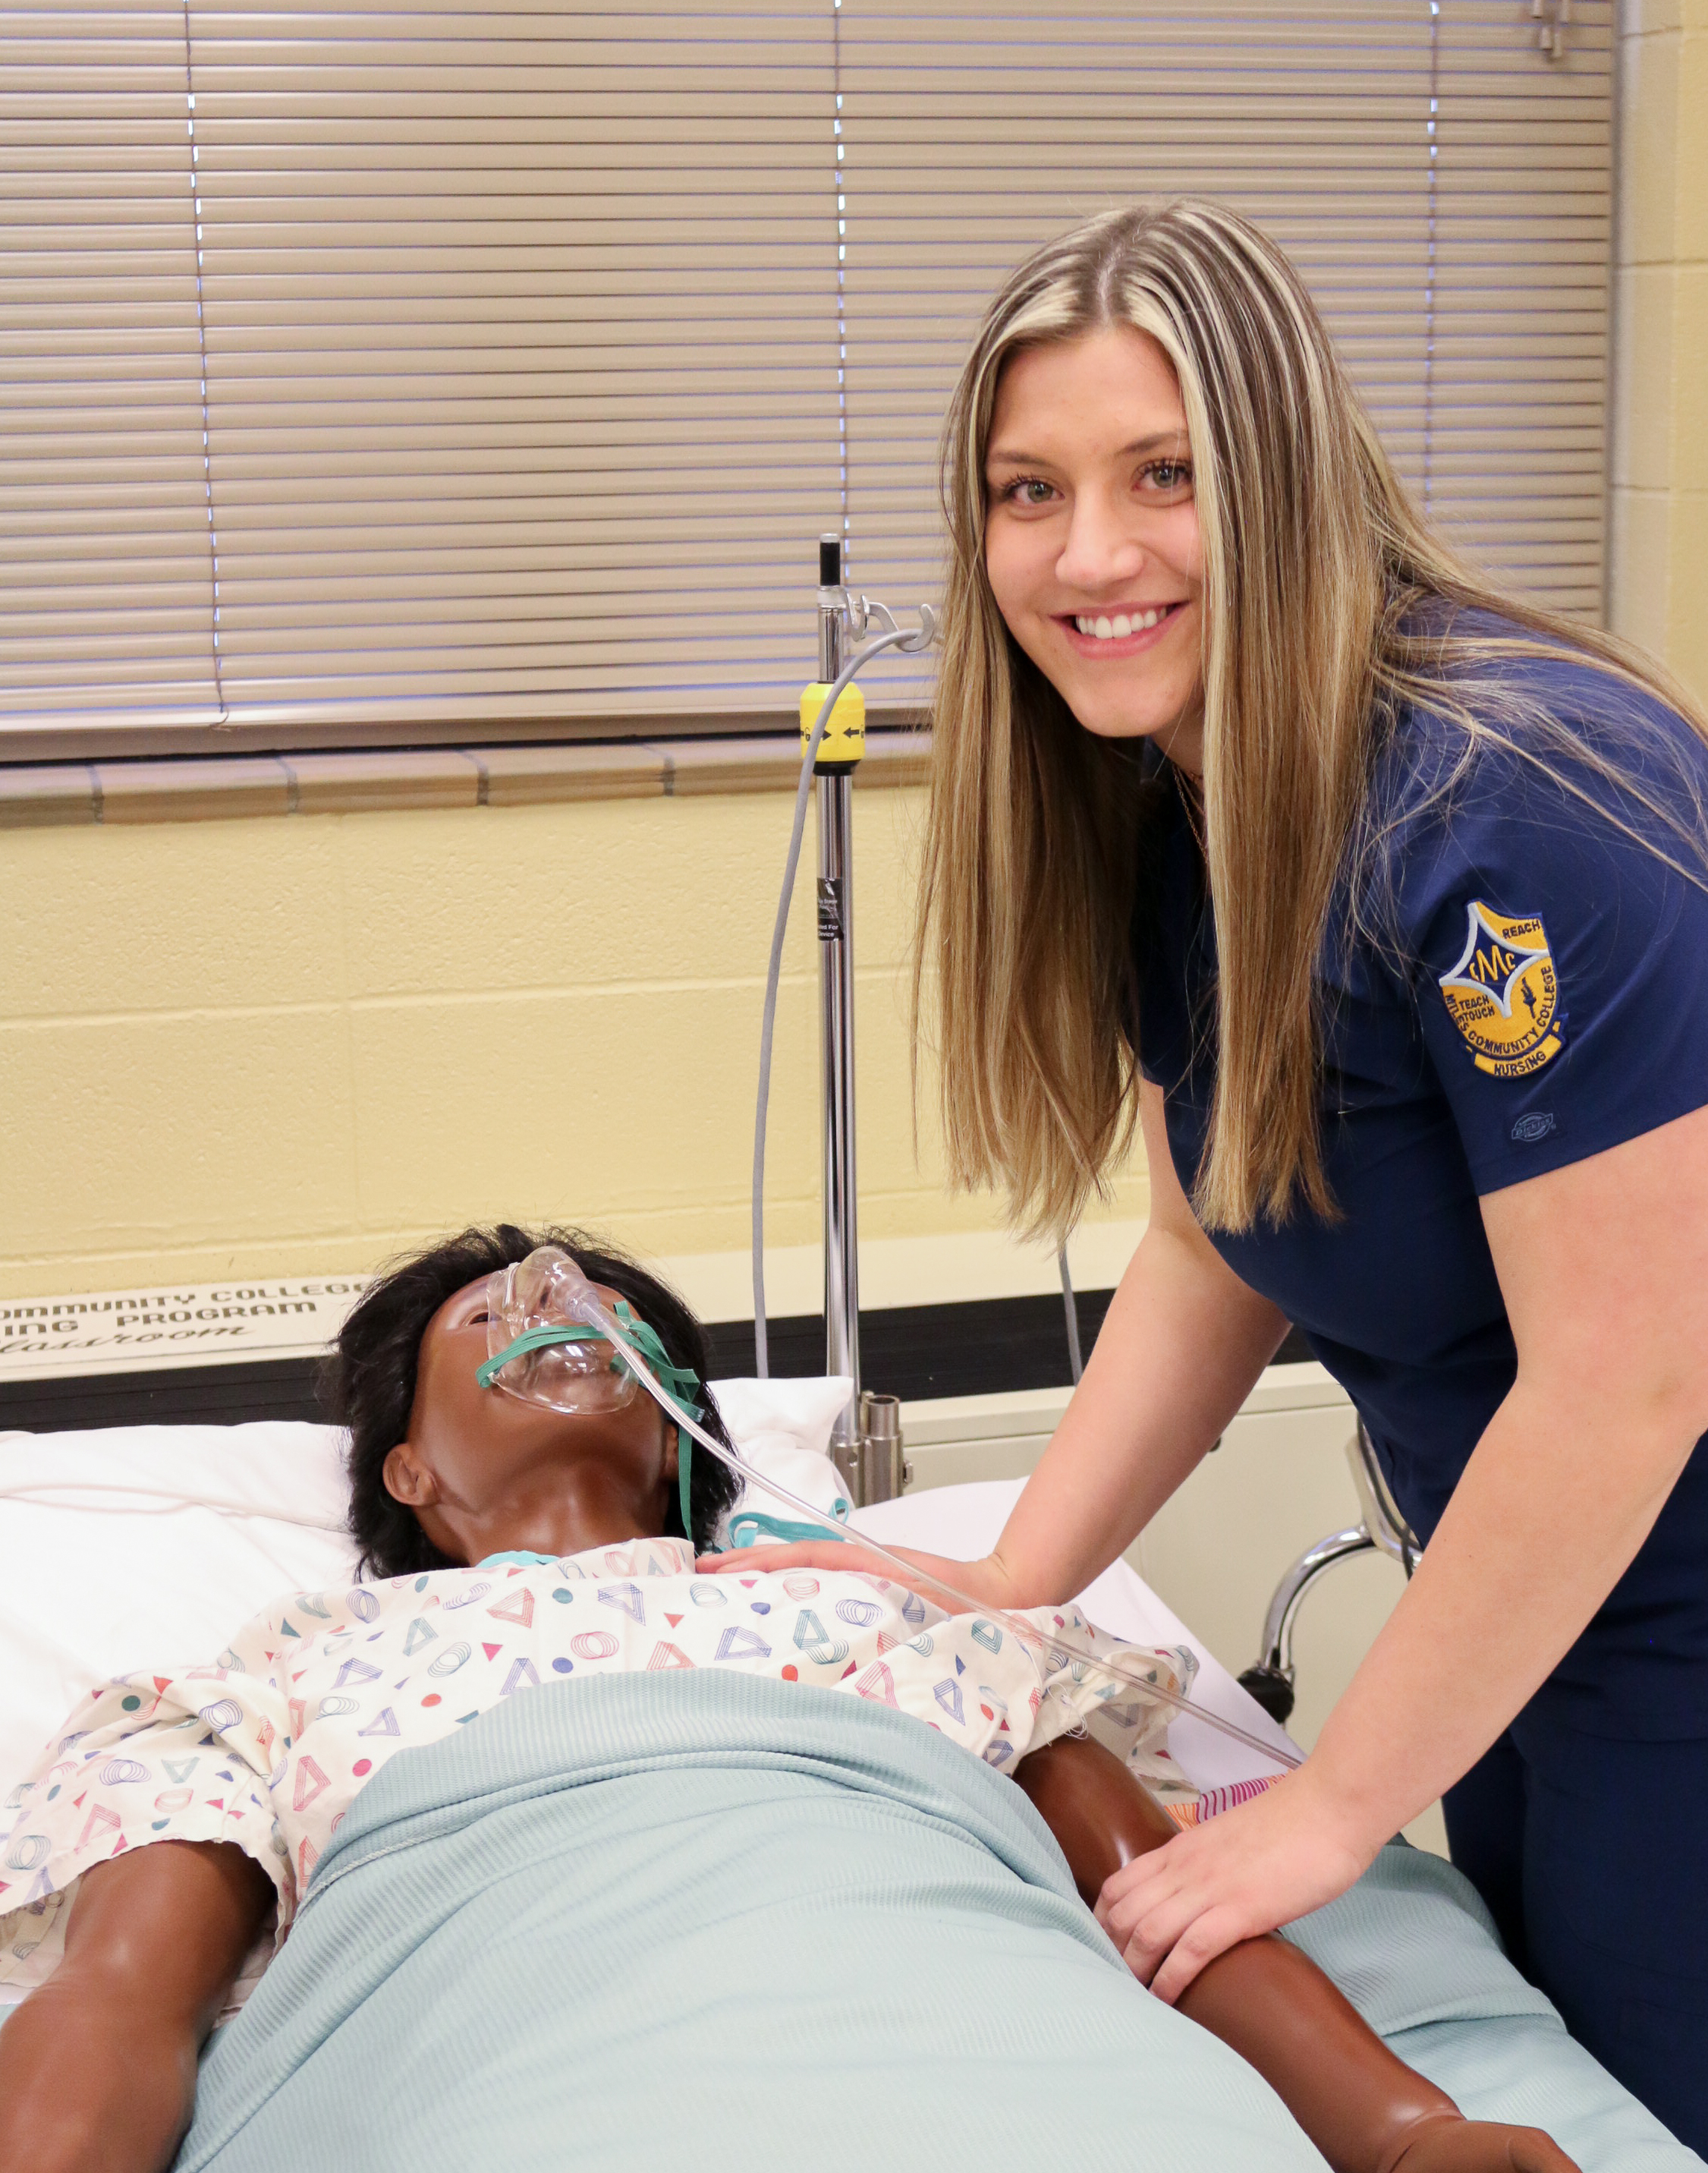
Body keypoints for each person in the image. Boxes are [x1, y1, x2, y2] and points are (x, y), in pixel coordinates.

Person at [713, 201, 1708, 2146]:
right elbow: (1207, 1231)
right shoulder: (1178, 791)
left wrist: (1331, 1808)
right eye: (1028, 490)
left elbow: (1630, 1375)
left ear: (1284, 474)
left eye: (1162, 475)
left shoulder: (1508, 805)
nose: (1088, 555)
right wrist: (1014, 1577)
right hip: (1538, 1612)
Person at [0, 1225, 1574, 2173]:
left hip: (975, 2038)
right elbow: (117, 2002)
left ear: (684, 1425)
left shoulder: (868, 1607)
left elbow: (1158, 1900)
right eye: (487, 1319)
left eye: (597, 1313)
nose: (549, 1308)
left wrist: (1394, 2128)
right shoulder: (276, 1667)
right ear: (406, 1471)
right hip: (499, 2055)